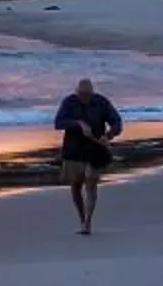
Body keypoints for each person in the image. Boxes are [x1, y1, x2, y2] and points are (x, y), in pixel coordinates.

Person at [52, 78, 123, 235]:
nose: (85, 97)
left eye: (88, 94)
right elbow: (58, 122)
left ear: (92, 92)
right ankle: (82, 217)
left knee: (91, 183)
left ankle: (88, 222)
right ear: (77, 92)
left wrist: (109, 135)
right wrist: (78, 123)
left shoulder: (101, 102)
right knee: (76, 185)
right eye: (82, 94)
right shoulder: (69, 102)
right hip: (73, 151)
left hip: (95, 150)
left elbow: (117, 122)